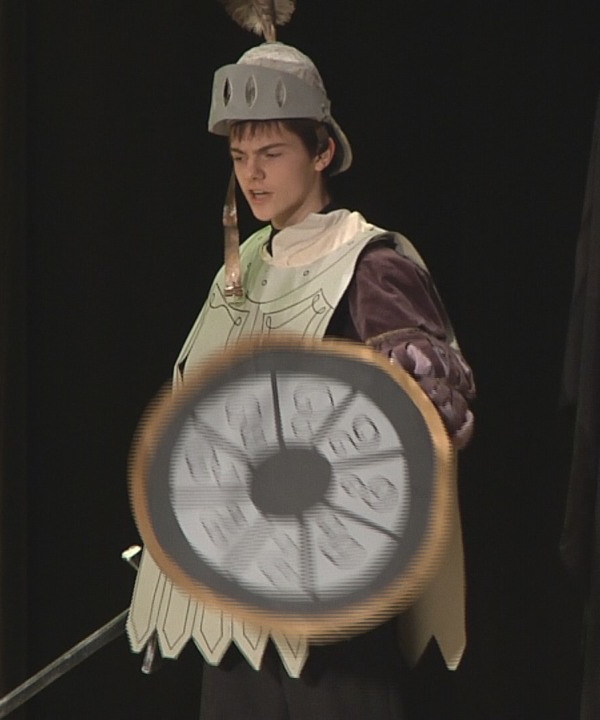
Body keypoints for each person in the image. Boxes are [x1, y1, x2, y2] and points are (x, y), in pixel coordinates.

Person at [124, 42, 476, 719]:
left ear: (322, 152)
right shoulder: (244, 266)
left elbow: (434, 418)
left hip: (327, 606)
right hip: (232, 599)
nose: (252, 175)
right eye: (239, 157)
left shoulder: (369, 264)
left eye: (271, 153)